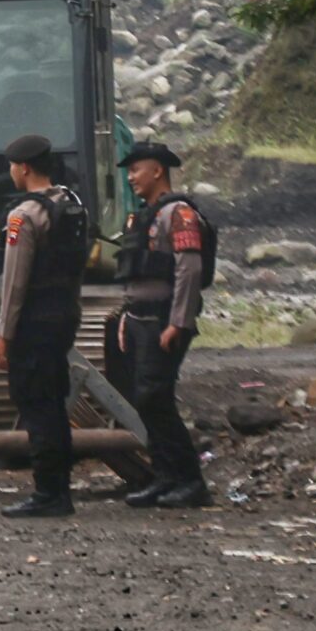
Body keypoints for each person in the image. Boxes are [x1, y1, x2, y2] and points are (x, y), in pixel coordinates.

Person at [0, 132, 89, 518]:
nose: (11, 173)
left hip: (33, 322)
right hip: (64, 315)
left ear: (25, 167)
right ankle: (58, 488)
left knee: (36, 405)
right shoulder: (70, 204)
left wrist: (3, 336)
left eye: (13, 166)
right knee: (54, 403)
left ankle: (49, 493)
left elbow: (15, 282)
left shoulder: (24, 215)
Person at [113, 140, 210, 507]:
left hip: (163, 320)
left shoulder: (179, 213)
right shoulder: (143, 214)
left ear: (157, 170)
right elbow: (133, 274)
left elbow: (190, 269)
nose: (131, 177)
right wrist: (126, 316)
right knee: (146, 400)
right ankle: (165, 478)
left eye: (136, 169)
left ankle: (190, 481)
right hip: (139, 319)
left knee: (155, 397)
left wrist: (178, 322)